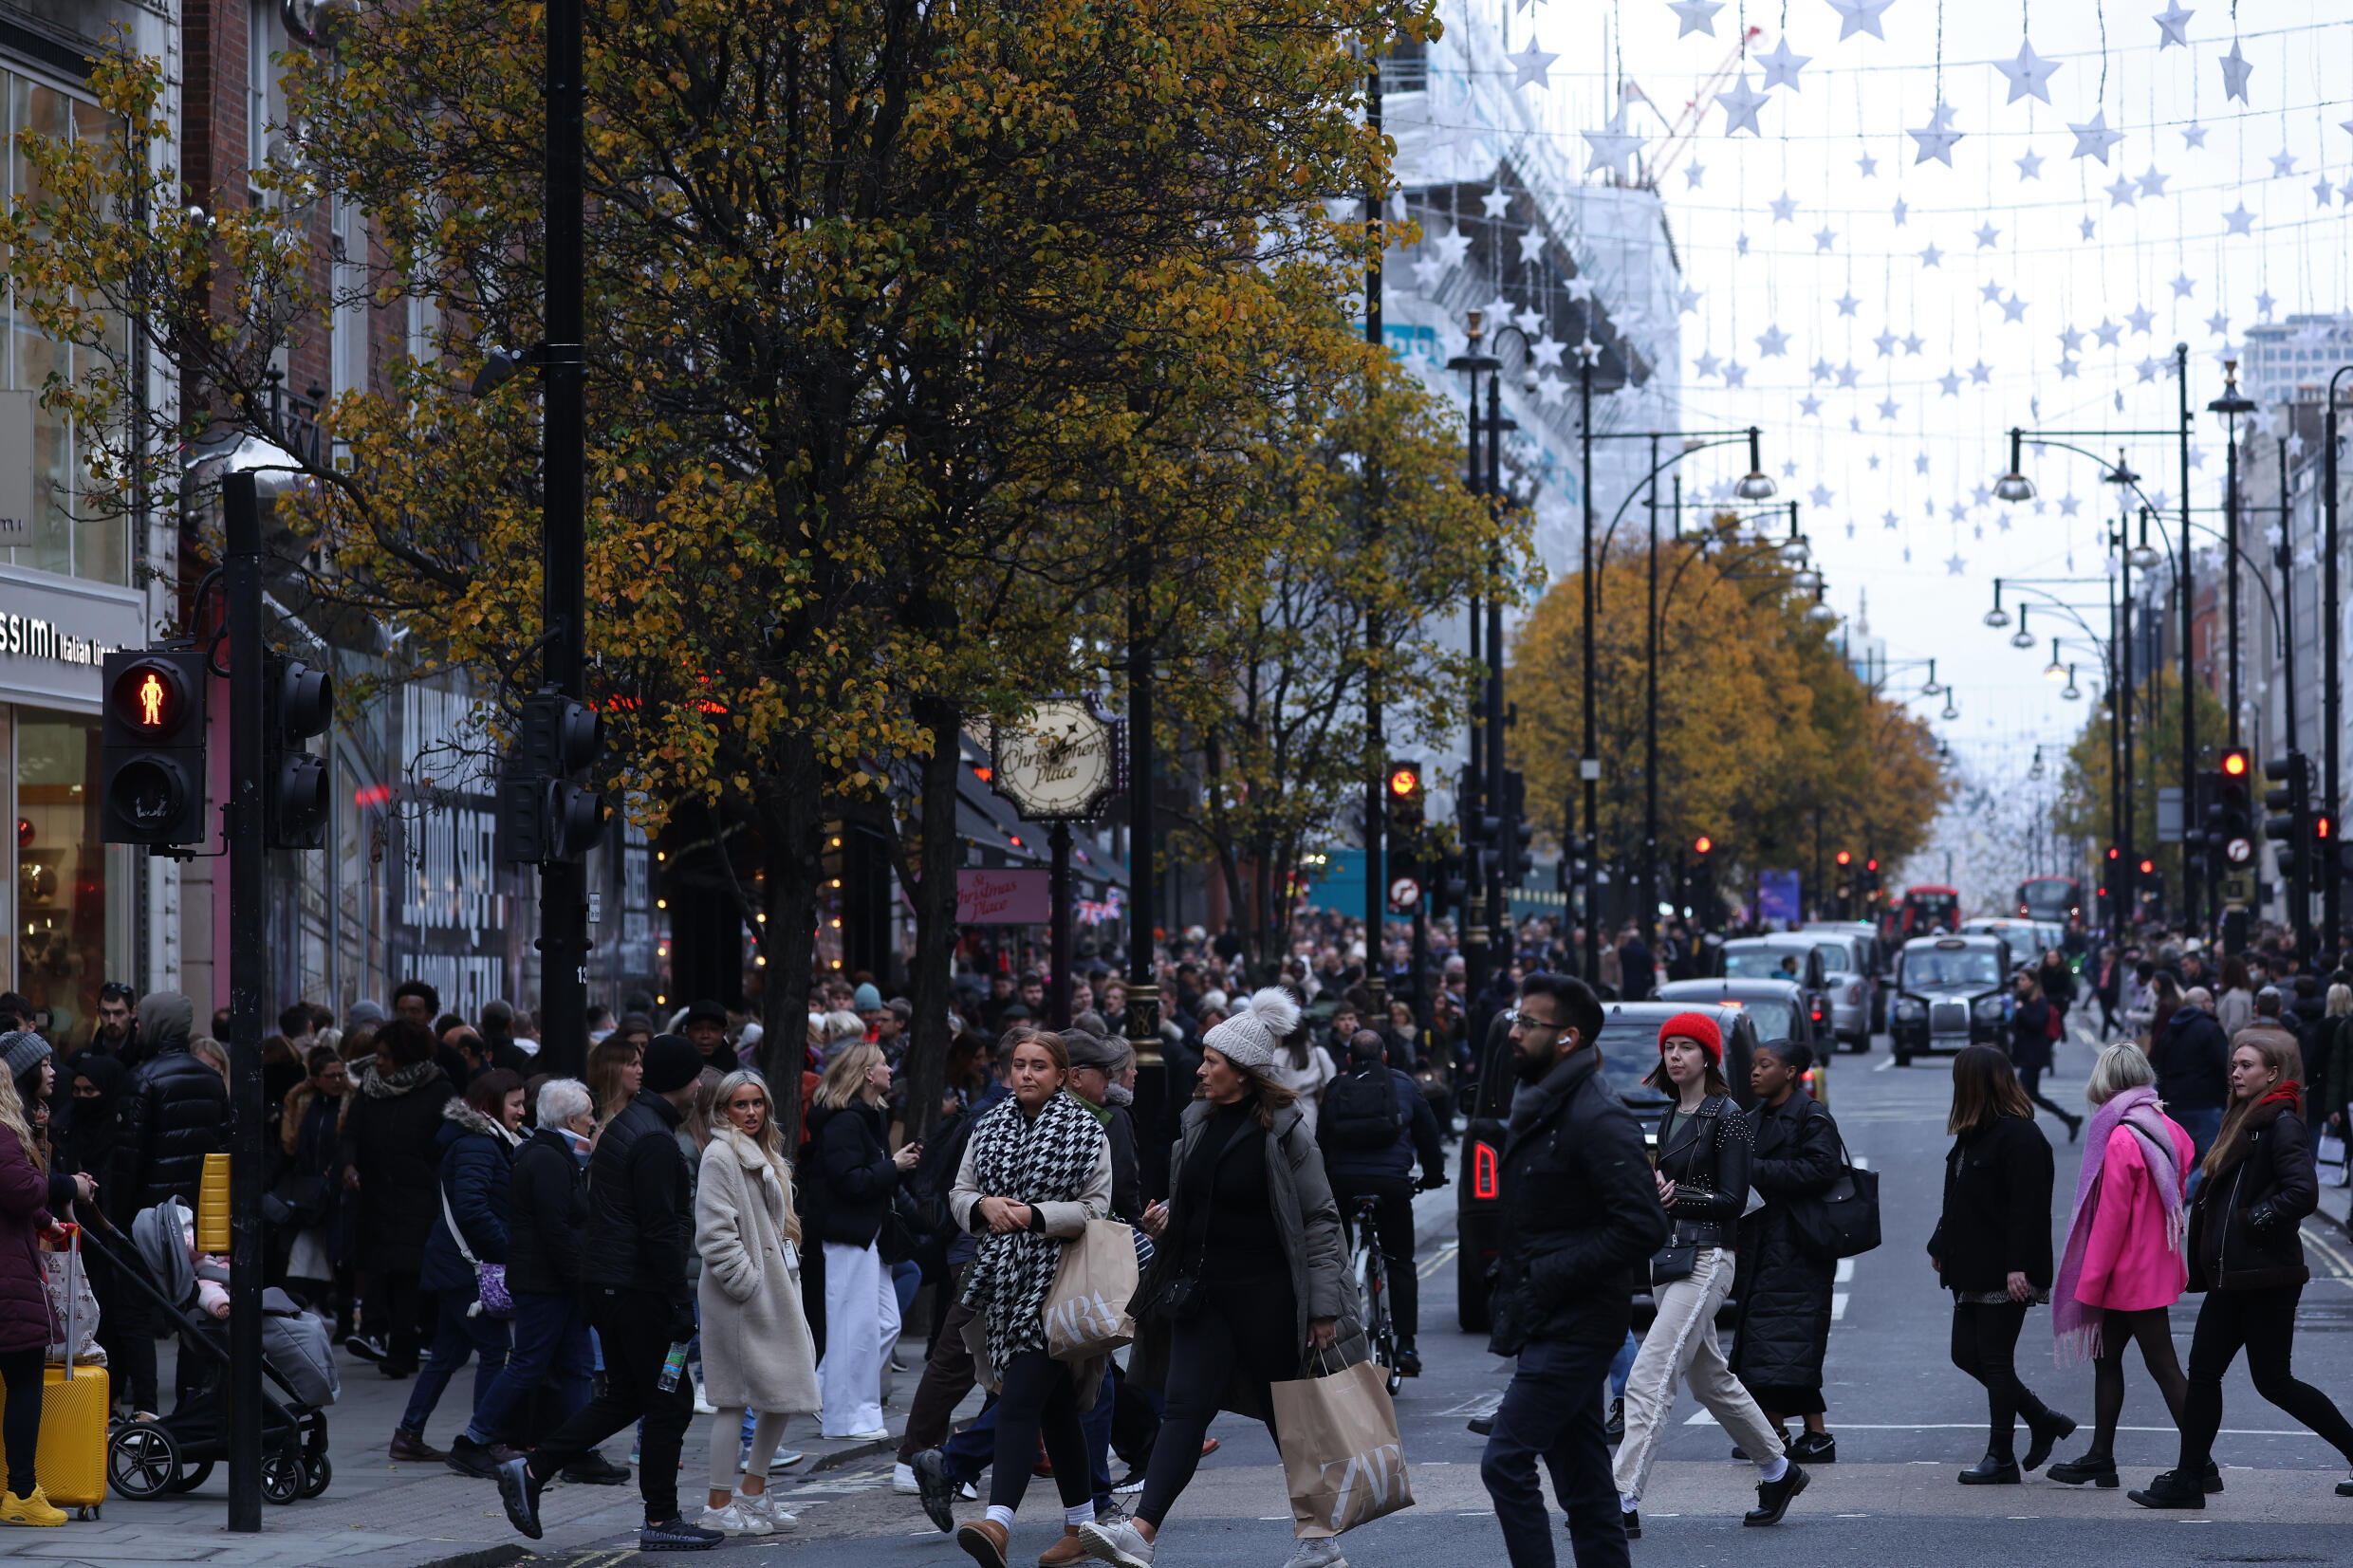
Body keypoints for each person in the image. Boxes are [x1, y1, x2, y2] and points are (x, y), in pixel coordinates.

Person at [1079, 987, 1364, 1568]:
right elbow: (1197, 1203)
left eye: (1212, 1061)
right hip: (1201, 1296)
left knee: (1289, 1419)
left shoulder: (1285, 1131)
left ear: (1242, 1072)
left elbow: (1319, 1219)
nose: (1201, 1069)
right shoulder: (1199, 1121)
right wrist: (1167, 1222)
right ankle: (1141, 1533)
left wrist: (1324, 1309)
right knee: (1182, 1410)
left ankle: (1318, 1541)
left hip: (1267, 1299)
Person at [1469, 973, 1666, 1568]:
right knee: (1586, 1488)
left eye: (1529, 1022)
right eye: (1517, 1017)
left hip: (1576, 1324)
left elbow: (1643, 1227)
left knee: (1504, 1462)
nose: (1514, 1030)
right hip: (1550, 1317)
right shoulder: (1545, 1105)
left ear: (1567, 1038)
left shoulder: (1596, 1117)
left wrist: (1551, 1272)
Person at [498, 1034, 721, 1551]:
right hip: (641, 1294)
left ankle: (532, 1470)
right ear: (681, 1082)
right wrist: (677, 1303)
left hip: (612, 1288)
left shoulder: (629, 1126)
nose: (697, 1089)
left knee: (625, 1397)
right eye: (694, 1079)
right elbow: (660, 1229)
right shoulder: (656, 1142)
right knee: (670, 1401)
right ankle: (662, 1520)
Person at [2129, 1029, 2353, 1507]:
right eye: (2234, 1065)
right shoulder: (2244, 1118)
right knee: (2205, 1372)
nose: (2236, 1072)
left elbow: (2303, 1192)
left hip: (2265, 1279)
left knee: (2274, 1382)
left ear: (2273, 1074)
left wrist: (2255, 1220)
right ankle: (2191, 1480)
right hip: (2232, 1279)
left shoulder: (2280, 1124)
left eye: (2247, 1065)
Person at [1613, 1013, 1806, 1533]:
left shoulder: (1728, 1116)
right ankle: (1778, 1467)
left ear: (1708, 1057)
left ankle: (1622, 1499)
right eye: (1669, 1047)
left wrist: (1677, 1199)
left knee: (1650, 1376)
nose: (1676, 1056)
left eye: (1687, 1048)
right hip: (1669, 1258)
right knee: (1709, 1380)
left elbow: (1733, 1200)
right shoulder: (1672, 1114)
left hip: (1707, 1259)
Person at [943, 1032, 1114, 1568]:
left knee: (1018, 1399)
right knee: (1056, 1407)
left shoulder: (1086, 1130)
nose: (1026, 1074)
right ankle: (1083, 1526)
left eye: (1039, 1066)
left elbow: (1096, 1209)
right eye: (1018, 1065)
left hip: (1061, 1284)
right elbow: (958, 1194)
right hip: (1003, 1284)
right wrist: (984, 1206)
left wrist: (1037, 1215)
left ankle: (997, 1523)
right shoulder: (988, 1126)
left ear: (1061, 1076)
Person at [2045, 1043, 2201, 1490]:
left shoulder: (2118, 1135)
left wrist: (2088, 1280)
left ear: (2107, 1082)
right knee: (2106, 1357)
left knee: (2163, 1366)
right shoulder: (2166, 1125)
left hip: (2126, 1273)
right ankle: (2101, 1457)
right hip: (2156, 1263)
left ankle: (2201, 1462)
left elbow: (2111, 1219)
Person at [457, 1079, 626, 1486]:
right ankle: (473, 1442)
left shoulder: (549, 1153)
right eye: (589, 1115)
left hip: (554, 1281)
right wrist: (580, 1280)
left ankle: (578, 1452)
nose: (593, 1122)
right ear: (570, 1119)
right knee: (530, 1363)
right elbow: (557, 1230)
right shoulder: (549, 1159)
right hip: (546, 1283)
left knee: (578, 1366)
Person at [1927, 1043, 2074, 1484]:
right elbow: (1957, 1200)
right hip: (1971, 1264)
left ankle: (2001, 1456)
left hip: (2003, 1269)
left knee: (1993, 1359)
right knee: (1964, 1353)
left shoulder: (2021, 1137)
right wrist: (1940, 1244)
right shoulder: (1975, 1133)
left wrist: (2019, 1268)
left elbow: (2028, 1210)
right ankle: (2041, 1418)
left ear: (1975, 1084)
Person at [695, 1069, 820, 1537]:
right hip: (740, 1298)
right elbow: (714, 1234)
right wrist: (748, 1283)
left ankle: (752, 1491)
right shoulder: (719, 1155)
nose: (750, 1113)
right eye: (740, 1105)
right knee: (732, 1400)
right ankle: (717, 1502)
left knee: (783, 1392)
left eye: (757, 1104)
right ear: (723, 1110)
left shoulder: (763, 1151)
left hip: (774, 1290)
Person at [105, 990, 226, 1419]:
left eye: (141, 1020)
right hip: (195, 1220)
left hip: (148, 1221)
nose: (136, 1026)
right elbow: (222, 1153)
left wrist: (115, 1220)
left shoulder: (143, 1079)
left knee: (133, 1313)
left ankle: (148, 1408)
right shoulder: (211, 1080)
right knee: (193, 1309)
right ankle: (191, 1401)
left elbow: (127, 1161)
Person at [404, 1069, 525, 1474]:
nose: (522, 1112)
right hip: (465, 1267)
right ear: (492, 1106)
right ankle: (483, 1441)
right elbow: (473, 1208)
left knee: (447, 1354)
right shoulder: (478, 1145)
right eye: (516, 1104)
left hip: (455, 1263)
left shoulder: (485, 1142)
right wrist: (507, 1249)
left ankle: (409, 1434)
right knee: (495, 1350)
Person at [1731, 1039, 1841, 1464]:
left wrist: (1754, 1171)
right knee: (1774, 1344)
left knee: (1783, 1343)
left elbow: (1822, 1169)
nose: (1755, 1072)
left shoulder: (1811, 1117)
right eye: (1754, 1065)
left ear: (1791, 1072)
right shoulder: (1753, 1118)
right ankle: (1791, 1432)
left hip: (1800, 1245)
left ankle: (1794, 1433)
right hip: (1761, 1243)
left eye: (1765, 1065)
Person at [340, 1017, 459, 1398]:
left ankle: (401, 1349)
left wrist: (433, 1177)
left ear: (407, 1058)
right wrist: (348, 1163)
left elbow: (446, 1142)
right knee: (381, 1268)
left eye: (388, 1057)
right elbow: (352, 1132)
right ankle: (382, 1335)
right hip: (376, 1193)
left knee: (408, 1274)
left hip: (417, 1195)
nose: (380, 1064)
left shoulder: (438, 1088)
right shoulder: (371, 1090)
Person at [806, 1042, 919, 1440]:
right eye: (884, 1064)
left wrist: (893, 1166)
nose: (890, 1069)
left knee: (884, 1323)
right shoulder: (845, 1122)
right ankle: (843, 1415)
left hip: (867, 1234)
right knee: (852, 1327)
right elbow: (851, 1181)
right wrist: (894, 1166)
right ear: (868, 1074)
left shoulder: (866, 1116)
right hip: (848, 1233)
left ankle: (837, 1398)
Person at [1316, 1028, 1444, 1377]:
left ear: (1348, 1059)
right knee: (1401, 1260)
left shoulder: (1337, 1088)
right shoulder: (1404, 1084)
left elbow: (1321, 1142)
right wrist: (1433, 1175)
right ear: (1385, 1056)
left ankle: (1340, 1339)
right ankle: (1405, 1346)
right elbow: (1429, 1136)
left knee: (1337, 1258)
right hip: (1392, 1184)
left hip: (1343, 1183)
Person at [0, 1064, 65, 1526]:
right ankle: (22, 1493)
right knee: (25, 1380)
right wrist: (67, 1187)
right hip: (6, 1279)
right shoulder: (2, 1133)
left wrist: (43, 1221)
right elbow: (19, 1189)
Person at [2153, 987, 2232, 1164]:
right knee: (2210, 1162)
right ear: (2204, 1003)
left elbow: (2160, 1070)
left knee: (2181, 1162)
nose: (2213, 1006)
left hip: (2177, 1105)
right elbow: (2223, 1066)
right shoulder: (2210, 1028)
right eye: (2211, 1001)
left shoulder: (2170, 1031)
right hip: (2207, 1105)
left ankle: (2184, 1192)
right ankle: (2193, 1193)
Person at [2009, 972, 2084, 1141]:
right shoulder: (2024, 999)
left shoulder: (2039, 1001)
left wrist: (2021, 1011)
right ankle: (2069, 1119)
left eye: (2023, 980)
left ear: (2032, 982)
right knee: (2032, 1094)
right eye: (2019, 980)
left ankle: (2021, 1132)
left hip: (2034, 1055)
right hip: (2026, 1053)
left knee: (2020, 1094)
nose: (2019, 983)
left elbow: (2036, 1024)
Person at [1264, 991, 1337, 1135]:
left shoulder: (1276, 1057)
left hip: (1281, 1113)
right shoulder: (1318, 1053)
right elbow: (1330, 1082)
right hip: (1311, 1113)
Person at [682, 1001, 739, 1073]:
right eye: (698, 1029)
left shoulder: (740, 1073)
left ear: (724, 1032)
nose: (705, 1035)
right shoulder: (675, 1067)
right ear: (687, 1032)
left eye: (713, 1029)